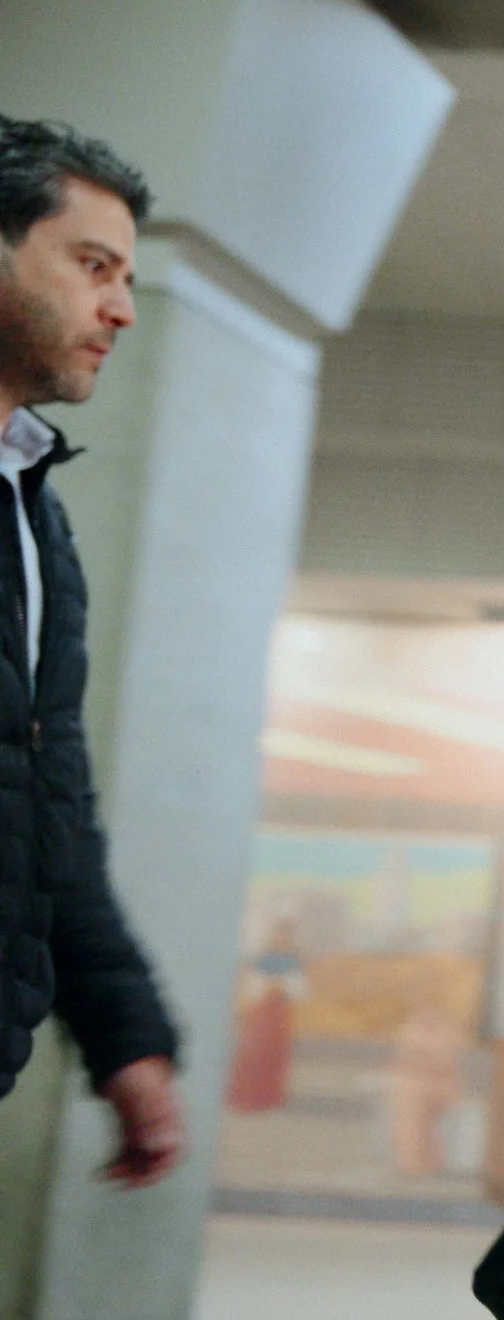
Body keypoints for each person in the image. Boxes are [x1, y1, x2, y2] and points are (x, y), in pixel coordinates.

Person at [0, 116, 184, 1188]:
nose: (120, 306)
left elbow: (45, 789)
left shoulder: (34, 513)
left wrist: (126, 1035)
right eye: (91, 264)